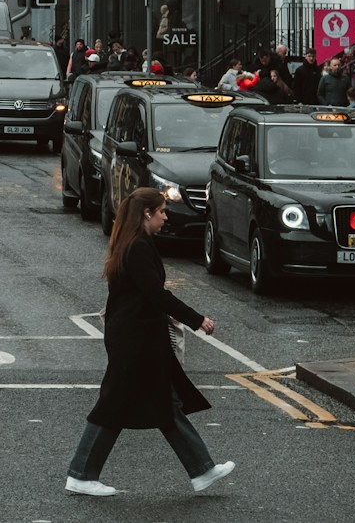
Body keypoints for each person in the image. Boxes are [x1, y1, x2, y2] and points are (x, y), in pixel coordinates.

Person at [64, 188, 233, 497]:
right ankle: (81, 474)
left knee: (164, 404)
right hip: (134, 340)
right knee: (115, 405)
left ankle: (202, 471)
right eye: (162, 211)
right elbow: (156, 294)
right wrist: (198, 320)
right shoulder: (138, 247)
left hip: (138, 337)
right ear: (147, 214)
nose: (165, 217)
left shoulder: (133, 243)